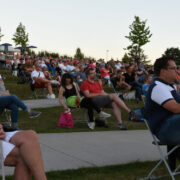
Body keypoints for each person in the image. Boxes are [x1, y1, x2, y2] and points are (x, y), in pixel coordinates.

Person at [144, 57, 180, 144]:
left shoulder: (170, 86)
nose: (177, 71)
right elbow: (176, 108)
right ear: (163, 71)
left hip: (173, 125)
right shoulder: (158, 87)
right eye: (174, 68)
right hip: (165, 130)